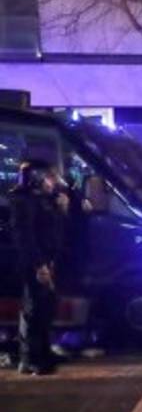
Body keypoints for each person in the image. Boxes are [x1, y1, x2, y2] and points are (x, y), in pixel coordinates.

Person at [9, 160, 67, 376]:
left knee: (46, 307)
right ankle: (33, 359)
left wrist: (61, 208)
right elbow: (25, 237)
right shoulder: (23, 200)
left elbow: (53, 231)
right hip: (34, 263)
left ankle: (42, 353)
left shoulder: (44, 200)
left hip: (47, 260)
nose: (54, 182)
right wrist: (39, 265)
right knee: (35, 310)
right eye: (50, 177)